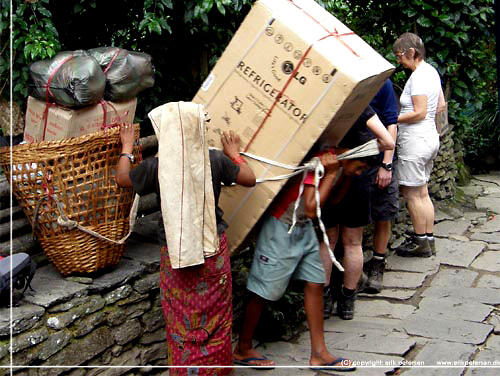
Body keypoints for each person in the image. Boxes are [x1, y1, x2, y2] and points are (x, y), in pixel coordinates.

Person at [116, 123, 256, 375]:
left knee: (182, 322)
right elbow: (249, 179)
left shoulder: (156, 166)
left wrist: (127, 147)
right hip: (213, 251)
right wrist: (234, 153)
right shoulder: (214, 158)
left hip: (175, 253)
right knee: (217, 319)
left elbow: (122, 178)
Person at [233, 149, 369, 371]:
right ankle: (243, 347)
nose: (360, 173)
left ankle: (319, 354)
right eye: (360, 167)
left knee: (315, 284)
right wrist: (333, 174)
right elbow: (311, 208)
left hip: (303, 229)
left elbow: (332, 200)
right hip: (281, 228)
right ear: (350, 155)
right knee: (263, 290)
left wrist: (343, 174)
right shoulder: (320, 162)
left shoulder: (337, 167)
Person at [320, 106, 395, 320]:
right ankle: (347, 300)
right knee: (353, 242)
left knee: (328, 240)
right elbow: (388, 142)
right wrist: (360, 152)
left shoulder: (325, 103)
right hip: (357, 177)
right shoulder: (362, 105)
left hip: (329, 174)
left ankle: (324, 299)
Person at [392, 32, 446, 257]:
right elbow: (440, 105)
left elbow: (420, 112)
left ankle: (420, 242)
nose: (398, 61)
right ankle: (428, 238)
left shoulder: (419, 76)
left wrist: (392, 118)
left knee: (411, 193)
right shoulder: (431, 71)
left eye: (400, 56)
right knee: (422, 191)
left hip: (415, 141)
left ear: (412, 53)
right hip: (429, 137)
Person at [363, 79, 399, 294]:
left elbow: (391, 122)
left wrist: (386, 164)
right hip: (354, 160)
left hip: (379, 157)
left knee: (383, 212)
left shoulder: (382, 83)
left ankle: (378, 263)